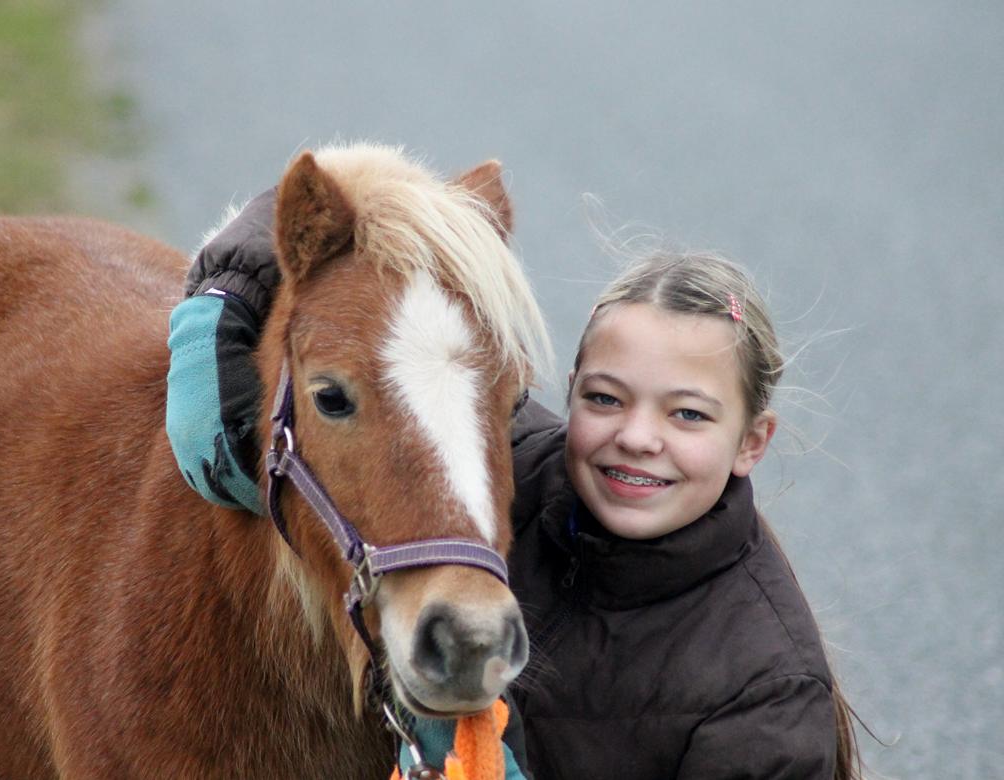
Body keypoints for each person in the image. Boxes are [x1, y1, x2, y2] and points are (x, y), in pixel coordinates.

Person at [166, 190, 862, 779]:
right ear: (562, 396)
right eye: (605, 399)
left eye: (687, 414)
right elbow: (303, 215)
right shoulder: (513, 460)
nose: (639, 436)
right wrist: (217, 316)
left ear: (751, 442)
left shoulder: (770, 690)